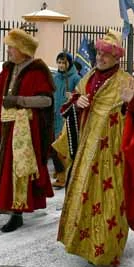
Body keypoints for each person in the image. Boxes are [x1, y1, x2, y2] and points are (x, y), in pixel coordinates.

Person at [54, 30, 134, 267]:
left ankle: (107, 249)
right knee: (84, 196)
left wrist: (133, 103)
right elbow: (75, 99)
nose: (100, 57)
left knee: (110, 199)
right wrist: (76, 102)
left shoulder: (128, 82)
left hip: (113, 154)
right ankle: (83, 243)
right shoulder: (88, 77)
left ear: (116, 58)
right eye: (98, 53)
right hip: (87, 149)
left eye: (105, 54)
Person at [0, 28, 55, 233]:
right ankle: (12, 208)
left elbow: (46, 100)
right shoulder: (8, 69)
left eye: (11, 48)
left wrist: (19, 101)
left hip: (27, 131)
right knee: (7, 170)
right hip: (8, 128)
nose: (8, 51)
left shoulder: (37, 71)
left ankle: (17, 213)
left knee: (20, 171)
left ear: (23, 50)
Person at [51, 51, 80, 188]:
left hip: (67, 116)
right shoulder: (56, 77)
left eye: (64, 62)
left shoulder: (75, 78)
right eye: (59, 62)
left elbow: (81, 95)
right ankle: (59, 172)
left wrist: (72, 96)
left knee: (64, 147)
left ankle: (65, 175)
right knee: (56, 146)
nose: (61, 65)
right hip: (56, 116)